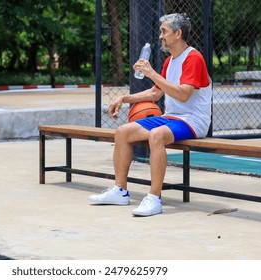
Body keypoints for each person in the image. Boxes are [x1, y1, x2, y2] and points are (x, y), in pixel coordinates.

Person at [88, 13, 212, 217]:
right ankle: (120, 190)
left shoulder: (193, 58)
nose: (160, 36)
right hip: (172, 117)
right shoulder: (170, 61)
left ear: (178, 33)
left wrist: (151, 73)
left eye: (164, 31)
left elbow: (183, 94)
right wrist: (124, 98)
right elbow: (156, 93)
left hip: (193, 121)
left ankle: (154, 198)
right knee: (122, 132)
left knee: (156, 134)